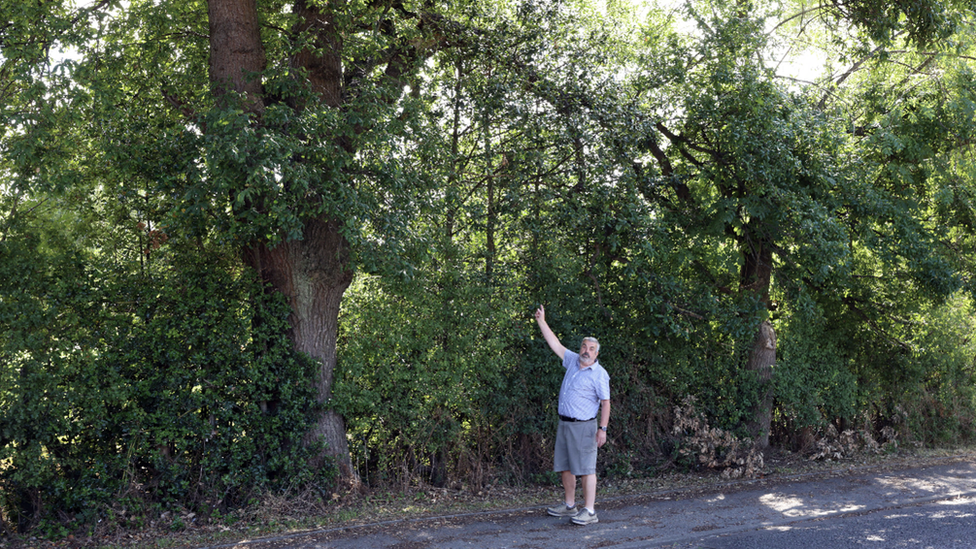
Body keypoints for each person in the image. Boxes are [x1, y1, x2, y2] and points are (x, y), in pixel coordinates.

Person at [534, 304, 611, 525]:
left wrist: (602, 429)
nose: (586, 350)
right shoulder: (572, 362)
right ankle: (569, 506)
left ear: (597, 353)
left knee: (586, 469)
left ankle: (590, 511)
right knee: (565, 467)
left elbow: (606, 403)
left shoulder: (599, 374)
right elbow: (555, 344)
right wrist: (541, 321)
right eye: (583, 346)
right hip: (565, 424)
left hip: (585, 427)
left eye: (591, 348)